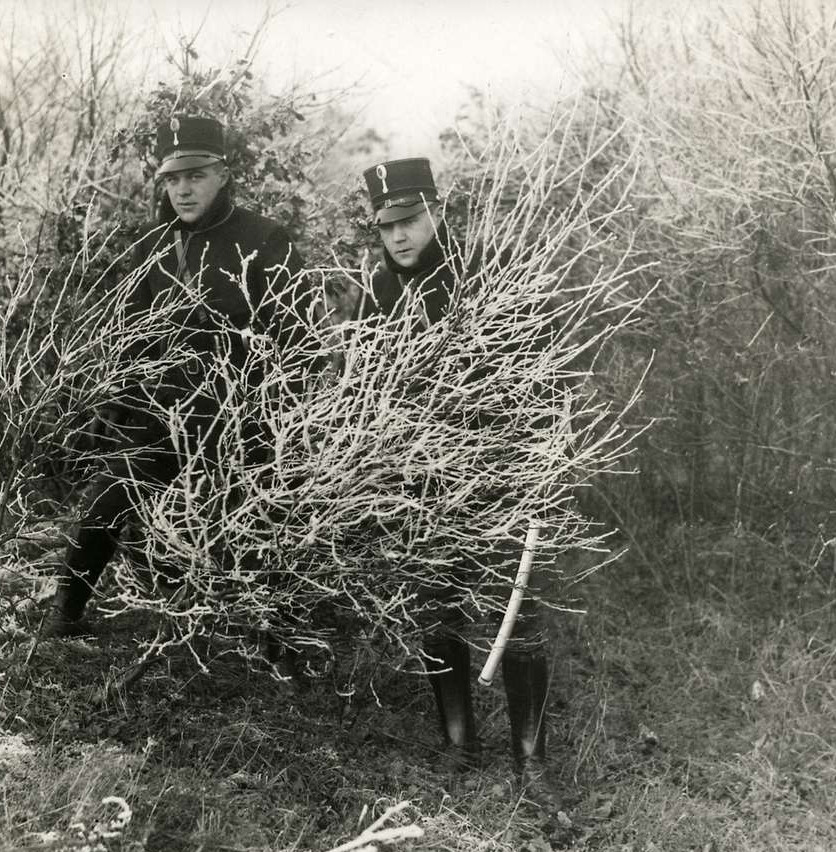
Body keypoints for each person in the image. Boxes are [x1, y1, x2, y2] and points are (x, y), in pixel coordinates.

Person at [46, 115, 308, 638]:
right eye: (172, 179)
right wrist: (118, 401)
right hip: (164, 414)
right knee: (105, 499)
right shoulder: (154, 247)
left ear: (223, 174)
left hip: (242, 417)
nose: (183, 190)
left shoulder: (265, 239)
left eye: (195, 176)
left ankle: (278, 635)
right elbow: (129, 335)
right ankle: (66, 615)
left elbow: (299, 341)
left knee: (259, 527)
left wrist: (275, 419)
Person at [360, 157, 552, 782]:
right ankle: (459, 747)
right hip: (420, 479)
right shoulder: (379, 288)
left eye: (410, 221)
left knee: (516, 614)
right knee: (436, 609)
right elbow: (368, 385)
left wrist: (532, 463)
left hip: (495, 472)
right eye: (387, 226)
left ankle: (532, 763)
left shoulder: (483, 276)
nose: (399, 237)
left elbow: (537, 376)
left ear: (435, 212)